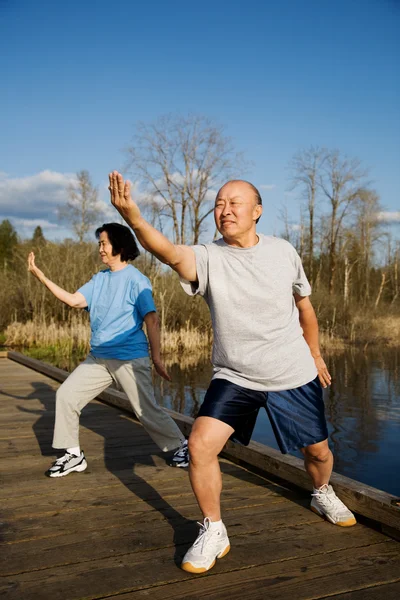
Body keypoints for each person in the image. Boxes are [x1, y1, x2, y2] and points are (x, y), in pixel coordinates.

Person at [108, 171, 356, 574]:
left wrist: (316, 354)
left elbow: (305, 307)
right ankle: (214, 528)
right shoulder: (209, 257)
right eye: (219, 204)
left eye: (234, 203)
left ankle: (322, 491)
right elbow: (170, 253)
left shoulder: (283, 252)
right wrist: (134, 218)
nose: (224, 210)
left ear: (257, 211)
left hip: (291, 373)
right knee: (201, 445)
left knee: (318, 452)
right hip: (235, 374)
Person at [27, 222, 188, 478]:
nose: (100, 248)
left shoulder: (137, 280)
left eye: (103, 243)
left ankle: (182, 447)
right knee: (66, 395)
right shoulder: (99, 279)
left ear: (119, 246)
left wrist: (156, 357)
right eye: (99, 243)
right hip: (99, 358)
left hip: (129, 359)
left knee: (146, 410)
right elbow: (73, 300)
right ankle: (73, 455)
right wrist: (41, 276)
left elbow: (152, 320)